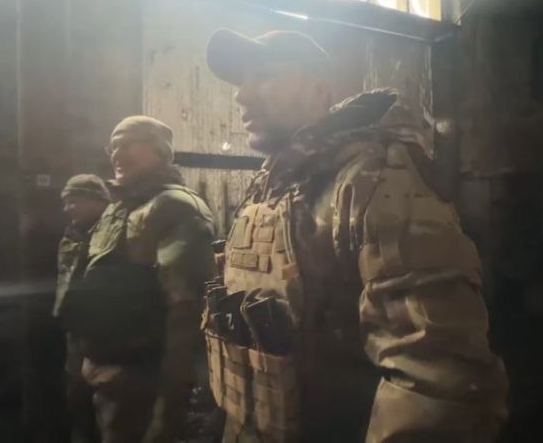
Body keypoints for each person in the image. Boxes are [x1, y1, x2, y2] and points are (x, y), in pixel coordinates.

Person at [202, 29, 509, 442]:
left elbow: (438, 381)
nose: (242, 95)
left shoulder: (373, 180)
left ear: (318, 88)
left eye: (264, 75)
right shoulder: (271, 185)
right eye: (241, 81)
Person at [60, 116, 216, 443]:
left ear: (160, 150)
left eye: (129, 144)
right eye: (113, 147)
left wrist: (167, 413)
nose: (117, 154)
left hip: (139, 386)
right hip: (100, 375)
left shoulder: (173, 207)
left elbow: (186, 316)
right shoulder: (120, 208)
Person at [55, 174, 110, 443]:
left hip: (107, 338)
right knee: (78, 404)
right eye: (66, 203)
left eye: (74, 201)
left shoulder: (114, 236)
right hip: (76, 336)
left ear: (97, 201)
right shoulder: (71, 235)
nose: (67, 209)